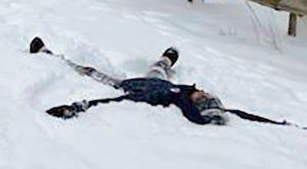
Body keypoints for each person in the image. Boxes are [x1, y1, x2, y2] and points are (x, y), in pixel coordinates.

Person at [42, 43, 228, 125]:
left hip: (128, 85)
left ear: (196, 104)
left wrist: (75, 108)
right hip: (157, 80)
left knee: (91, 73)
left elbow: (115, 102)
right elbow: (235, 113)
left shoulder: (162, 99)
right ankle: (167, 60)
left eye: (203, 96)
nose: (203, 91)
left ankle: (48, 54)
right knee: (159, 68)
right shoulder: (183, 94)